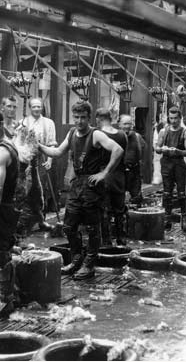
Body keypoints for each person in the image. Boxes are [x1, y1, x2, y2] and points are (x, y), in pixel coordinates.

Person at [38, 101, 123, 280]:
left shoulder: (96, 134)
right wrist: (38, 146)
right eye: (76, 117)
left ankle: (89, 265)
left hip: (92, 186)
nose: (79, 121)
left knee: (92, 228)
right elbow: (57, 152)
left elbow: (118, 149)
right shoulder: (71, 133)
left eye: (83, 117)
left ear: (89, 118)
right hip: (77, 185)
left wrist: (104, 173)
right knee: (69, 226)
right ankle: (77, 259)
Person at [14, 98, 56, 236]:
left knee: (39, 191)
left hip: (40, 158)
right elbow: (18, 143)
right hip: (23, 161)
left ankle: (41, 220)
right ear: (30, 108)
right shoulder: (23, 122)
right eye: (34, 107)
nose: (37, 109)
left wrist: (50, 160)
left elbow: (52, 143)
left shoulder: (49, 123)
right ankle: (21, 225)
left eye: (39, 106)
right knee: (23, 192)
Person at [155, 106, 186, 232]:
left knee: (182, 193)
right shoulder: (163, 132)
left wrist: (178, 151)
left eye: (176, 118)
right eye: (171, 118)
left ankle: (185, 219)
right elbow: (157, 148)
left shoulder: (185, 132)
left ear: (180, 118)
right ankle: (167, 219)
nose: (173, 121)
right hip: (166, 163)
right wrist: (162, 149)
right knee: (166, 193)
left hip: (179, 164)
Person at [96, 108, 128, 246]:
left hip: (104, 175)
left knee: (105, 210)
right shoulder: (122, 135)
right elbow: (123, 156)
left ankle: (107, 241)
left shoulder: (99, 135)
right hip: (119, 176)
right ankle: (121, 239)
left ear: (99, 119)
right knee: (119, 209)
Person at [119, 114, 145, 206]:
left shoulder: (137, 137)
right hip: (120, 172)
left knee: (136, 199)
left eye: (129, 124)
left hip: (134, 172)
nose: (127, 126)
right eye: (125, 124)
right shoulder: (116, 137)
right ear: (119, 124)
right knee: (118, 200)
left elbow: (141, 153)